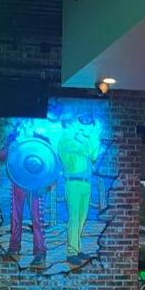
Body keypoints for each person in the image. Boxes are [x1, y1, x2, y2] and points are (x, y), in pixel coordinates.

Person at [0, 125, 49, 269]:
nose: (26, 124)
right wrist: (9, 144)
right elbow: (2, 157)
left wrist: (45, 183)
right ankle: (14, 248)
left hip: (34, 183)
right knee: (15, 217)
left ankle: (40, 252)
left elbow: (49, 161)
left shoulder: (40, 139)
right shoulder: (13, 139)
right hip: (18, 182)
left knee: (37, 218)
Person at [56, 113, 102, 266]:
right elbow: (87, 151)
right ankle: (71, 252)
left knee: (81, 218)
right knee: (74, 218)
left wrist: (94, 137)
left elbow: (94, 155)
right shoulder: (66, 140)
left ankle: (77, 248)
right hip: (73, 182)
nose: (81, 130)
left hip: (85, 183)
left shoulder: (80, 140)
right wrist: (95, 133)